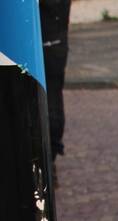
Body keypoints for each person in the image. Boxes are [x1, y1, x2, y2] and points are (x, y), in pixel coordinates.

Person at [40, 0, 71, 187]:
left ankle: (47, 159)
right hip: (54, 36)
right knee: (52, 94)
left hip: (48, 33)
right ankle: (48, 160)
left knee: (50, 97)